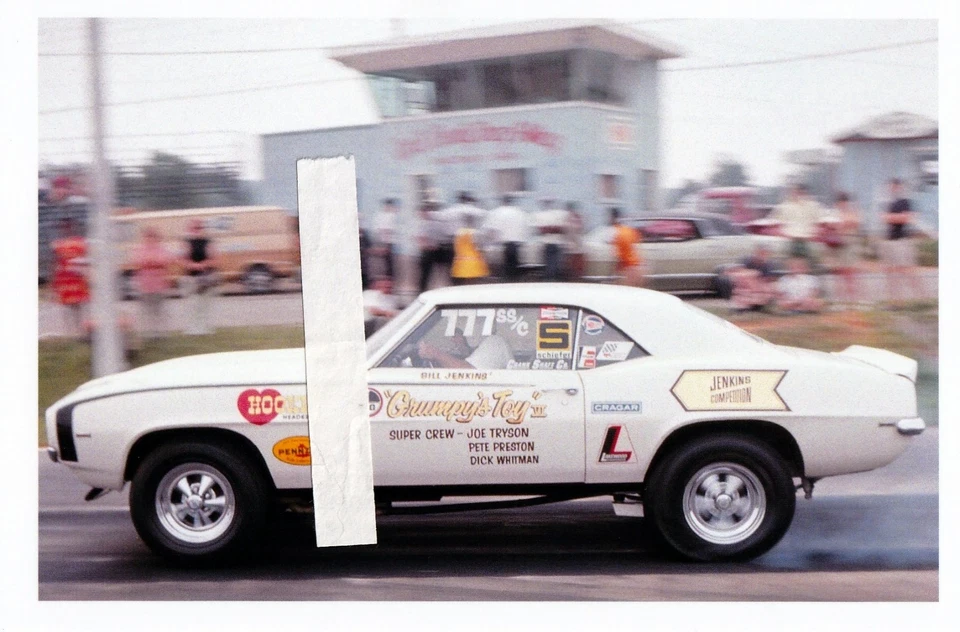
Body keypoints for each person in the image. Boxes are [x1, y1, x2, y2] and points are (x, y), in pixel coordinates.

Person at [880, 178, 922, 305]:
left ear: (899, 187)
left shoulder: (905, 201)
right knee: (890, 271)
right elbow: (884, 218)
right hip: (889, 240)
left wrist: (890, 217)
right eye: (890, 187)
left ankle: (921, 299)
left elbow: (907, 218)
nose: (891, 189)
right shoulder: (889, 203)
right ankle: (896, 301)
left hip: (901, 241)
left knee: (906, 270)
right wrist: (890, 217)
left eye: (894, 187)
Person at [767, 183, 828, 265]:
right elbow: (772, 221)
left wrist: (817, 231)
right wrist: (780, 232)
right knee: (782, 252)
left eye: (799, 192)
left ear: (805, 193)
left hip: (808, 239)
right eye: (794, 192)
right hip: (789, 239)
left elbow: (824, 220)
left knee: (814, 253)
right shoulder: (784, 207)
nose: (797, 194)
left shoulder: (814, 206)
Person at [823, 192, 864, 308]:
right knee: (838, 272)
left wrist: (840, 225)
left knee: (850, 273)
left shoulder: (853, 212)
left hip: (849, 246)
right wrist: (840, 225)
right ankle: (840, 301)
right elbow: (828, 225)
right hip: (836, 246)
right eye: (840, 202)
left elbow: (855, 223)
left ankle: (853, 300)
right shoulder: (832, 213)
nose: (842, 204)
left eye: (844, 202)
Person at [132, 226, 173, 339]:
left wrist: (151, 262)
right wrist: (152, 262)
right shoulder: (139, 249)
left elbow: (165, 260)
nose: (150, 239)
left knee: (159, 309)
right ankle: (148, 332)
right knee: (146, 309)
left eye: (153, 236)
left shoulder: (162, 249)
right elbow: (138, 262)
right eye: (148, 236)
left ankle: (160, 332)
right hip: (145, 283)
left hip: (159, 283)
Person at [51, 218, 89, 336]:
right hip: (64, 278)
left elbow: (85, 258)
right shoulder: (58, 244)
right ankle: (71, 331)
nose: (66, 229)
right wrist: (54, 281)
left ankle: (81, 329)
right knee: (67, 306)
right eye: (63, 227)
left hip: (77, 277)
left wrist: (86, 274)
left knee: (78, 304)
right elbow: (55, 262)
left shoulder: (79, 242)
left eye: (68, 227)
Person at [182, 219, 217, 335]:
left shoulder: (208, 241)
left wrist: (204, 265)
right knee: (193, 304)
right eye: (194, 228)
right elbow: (182, 259)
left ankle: (204, 328)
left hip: (206, 278)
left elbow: (215, 258)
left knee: (205, 304)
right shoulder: (186, 242)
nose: (197, 230)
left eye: (199, 227)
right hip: (191, 278)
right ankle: (193, 328)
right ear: (189, 229)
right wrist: (193, 265)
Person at [483, 194, 529, 281]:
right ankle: (514, 280)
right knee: (514, 264)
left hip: (502, 244)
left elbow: (491, 229)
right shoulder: (520, 212)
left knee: (505, 265)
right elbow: (526, 227)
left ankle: (507, 280)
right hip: (517, 243)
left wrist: (491, 243)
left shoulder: (497, 212)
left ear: (503, 201)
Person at [417, 331, 513, 370]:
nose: (452, 340)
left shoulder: (495, 343)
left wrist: (435, 353)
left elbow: (469, 373)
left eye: (456, 334)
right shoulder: (475, 351)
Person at [729, 244, 778, 312]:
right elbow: (738, 271)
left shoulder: (768, 264)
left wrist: (758, 281)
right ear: (756, 252)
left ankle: (758, 305)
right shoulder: (746, 260)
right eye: (761, 252)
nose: (763, 255)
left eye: (765, 253)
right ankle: (743, 306)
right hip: (744, 285)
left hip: (758, 286)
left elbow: (769, 278)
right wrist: (752, 274)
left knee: (768, 289)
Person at [534, 198, 570, 281]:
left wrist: (548, 229)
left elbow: (541, 230)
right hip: (555, 243)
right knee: (554, 262)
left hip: (549, 243)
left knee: (550, 262)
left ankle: (550, 278)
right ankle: (553, 277)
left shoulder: (543, 215)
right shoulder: (557, 215)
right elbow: (560, 229)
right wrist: (552, 229)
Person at [608, 207, 644, 286]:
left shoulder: (615, 232)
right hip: (638, 267)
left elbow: (617, 256)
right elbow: (635, 248)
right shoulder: (629, 230)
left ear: (612, 218)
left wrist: (613, 274)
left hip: (628, 269)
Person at [450, 213, 489, 285]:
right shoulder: (475, 232)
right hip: (474, 262)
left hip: (461, 262)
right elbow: (478, 246)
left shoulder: (458, 232)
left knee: (464, 282)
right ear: (472, 221)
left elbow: (455, 245)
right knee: (473, 282)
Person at [417, 200, 446, 293]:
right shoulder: (434, 223)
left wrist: (425, 244)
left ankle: (424, 290)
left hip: (430, 251)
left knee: (427, 274)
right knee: (430, 273)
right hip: (434, 250)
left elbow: (421, 238)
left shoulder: (426, 223)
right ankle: (428, 289)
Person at [373, 198, 399, 282]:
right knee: (381, 260)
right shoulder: (380, 215)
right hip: (381, 240)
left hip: (390, 241)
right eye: (388, 206)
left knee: (389, 261)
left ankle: (389, 279)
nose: (389, 207)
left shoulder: (394, 216)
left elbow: (393, 229)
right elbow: (378, 228)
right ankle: (382, 278)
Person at [564, 202, 586, 281]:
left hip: (574, 247)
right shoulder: (576, 218)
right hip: (574, 247)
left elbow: (573, 231)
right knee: (574, 269)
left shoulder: (569, 219)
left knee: (574, 269)